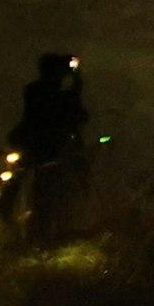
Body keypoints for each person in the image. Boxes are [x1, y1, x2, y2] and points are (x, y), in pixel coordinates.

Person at [15, 54, 90, 237]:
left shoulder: (33, 91)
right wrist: (76, 82)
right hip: (57, 150)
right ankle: (54, 231)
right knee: (58, 192)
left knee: (41, 191)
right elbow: (78, 115)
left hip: (41, 150)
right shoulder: (57, 96)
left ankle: (40, 231)